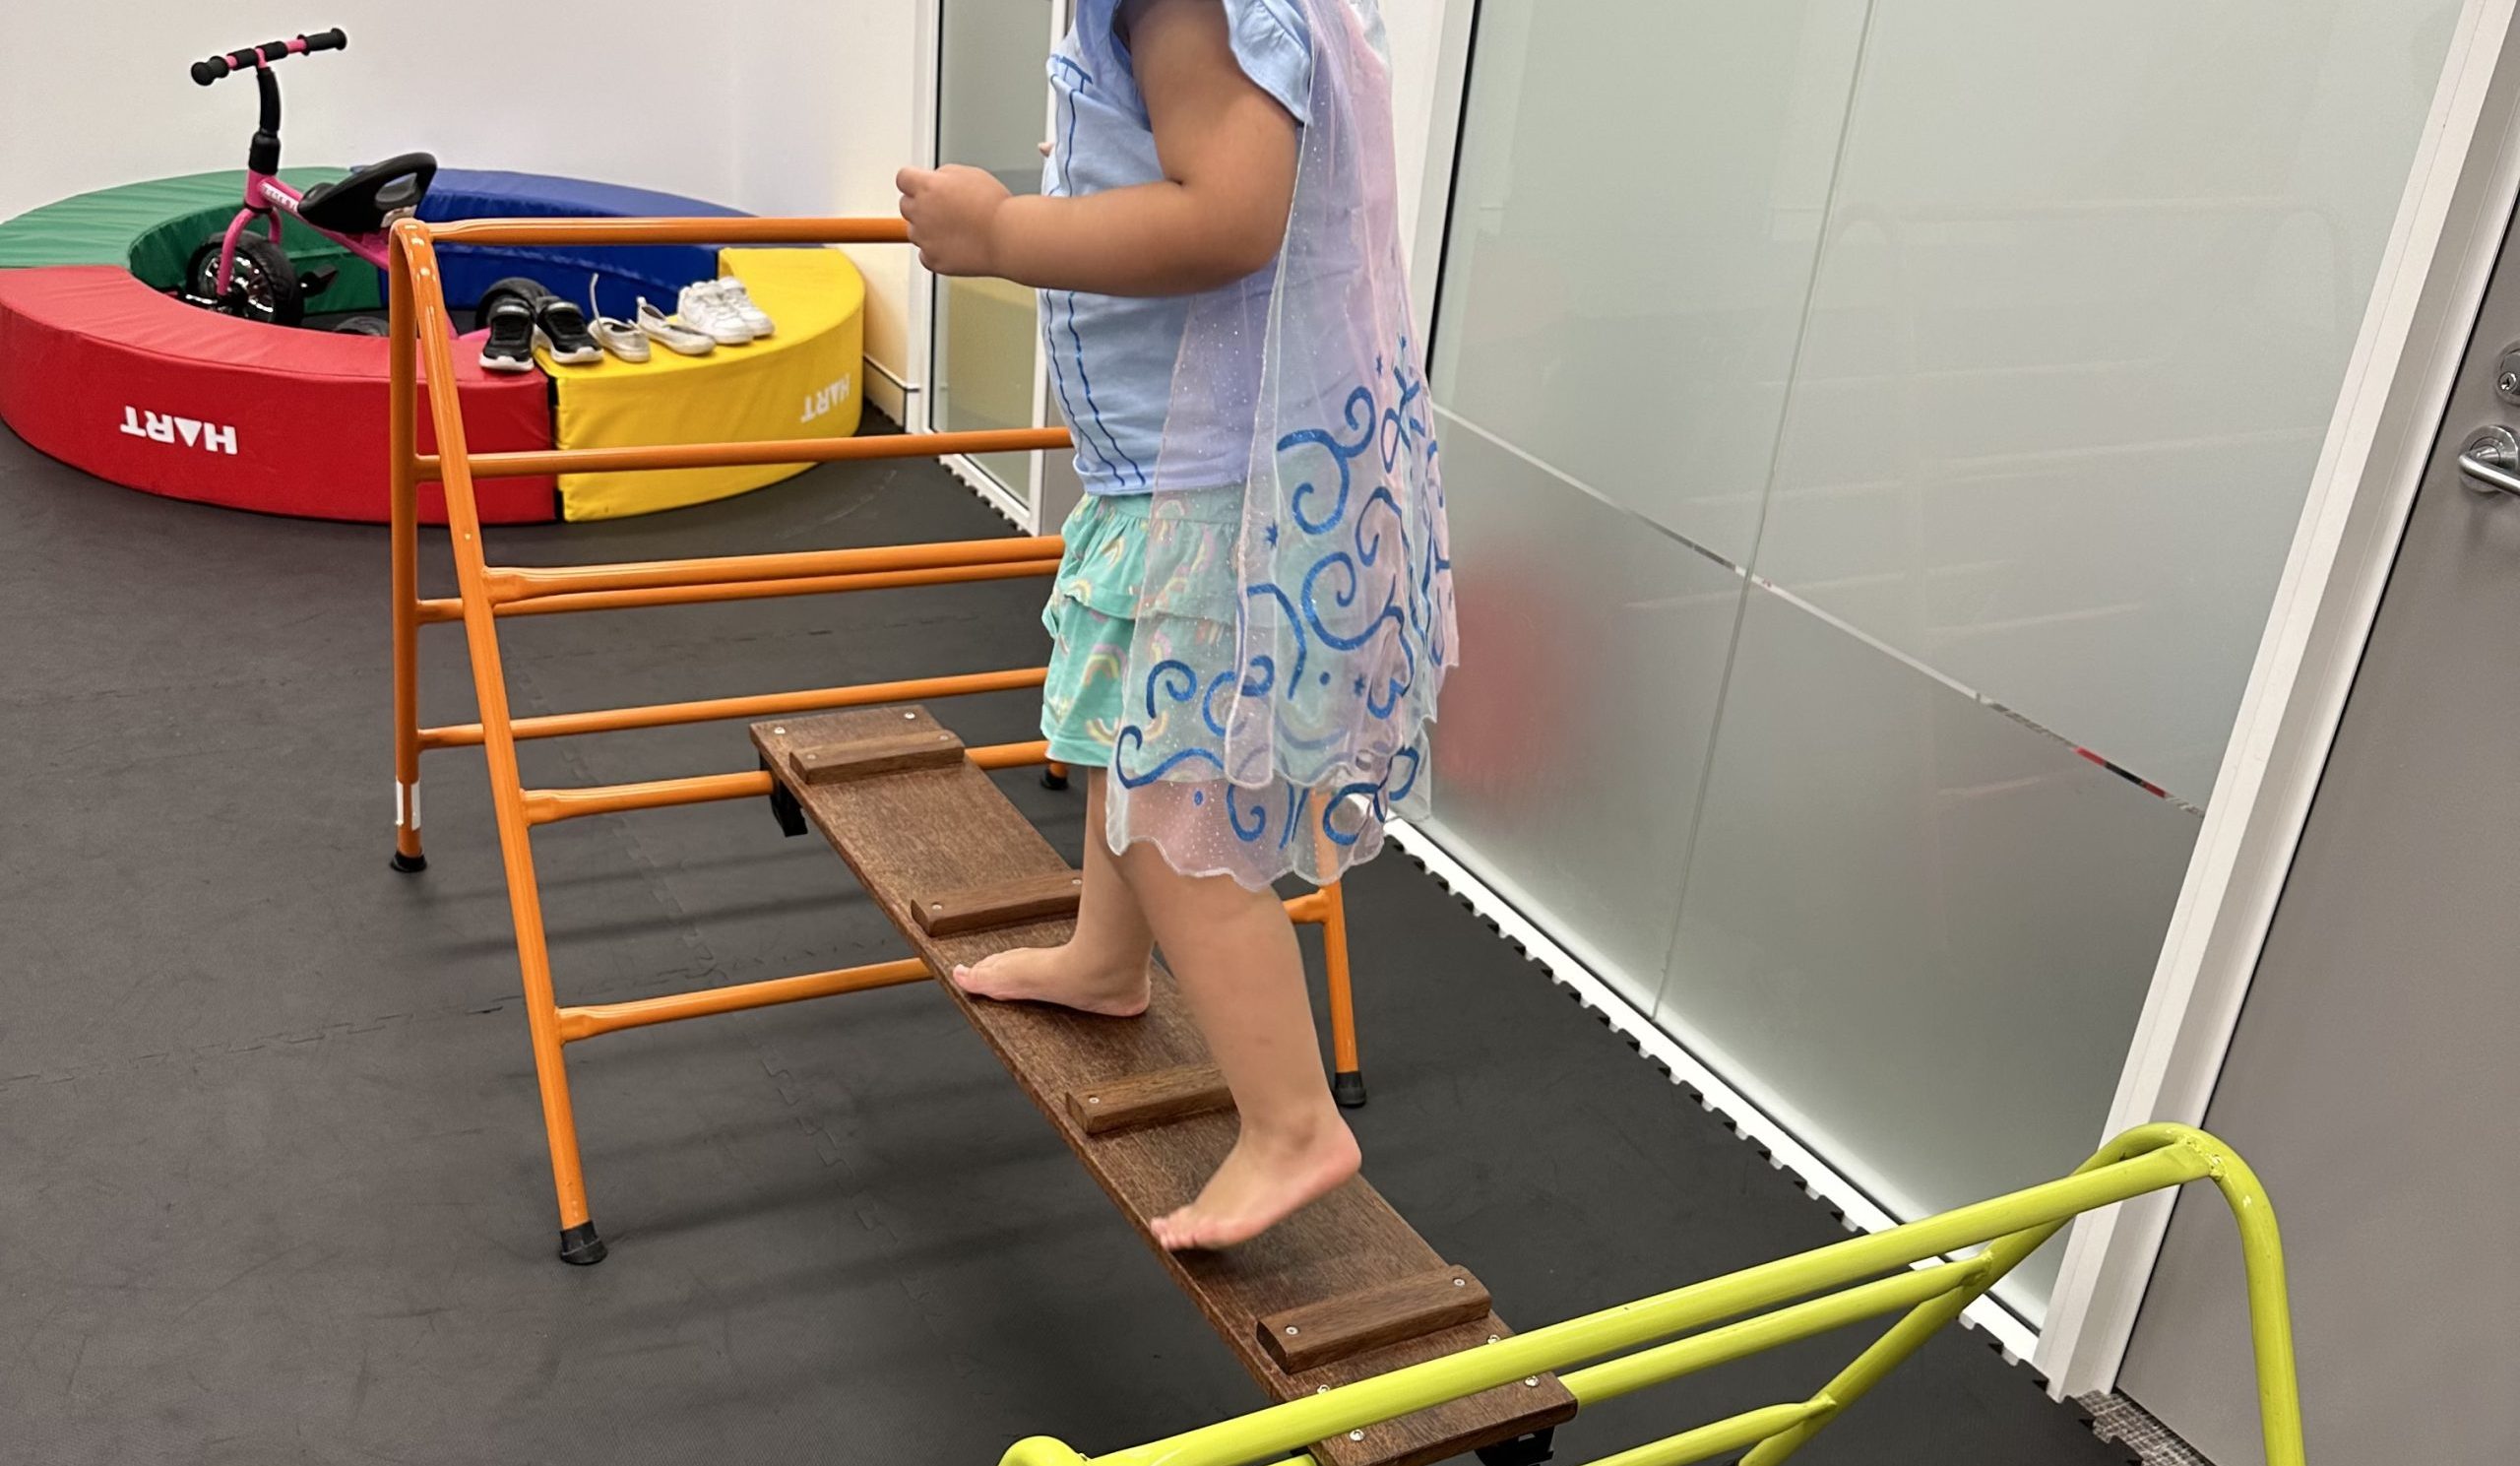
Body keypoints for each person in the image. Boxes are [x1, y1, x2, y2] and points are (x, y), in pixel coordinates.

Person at [897, 0, 1454, 1250]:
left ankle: (1293, 1123)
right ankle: (1107, 956)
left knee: (1175, 806)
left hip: (1207, 477)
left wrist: (1000, 230)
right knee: (1121, 729)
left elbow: (1227, 217)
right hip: (1208, 456)